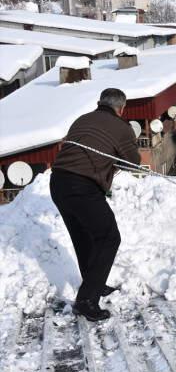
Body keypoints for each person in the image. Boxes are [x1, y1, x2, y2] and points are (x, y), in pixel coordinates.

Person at [50, 88, 141, 321]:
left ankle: (95, 285)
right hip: (83, 185)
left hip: (58, 182)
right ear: (121, 109)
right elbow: (133, 163)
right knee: (109, 237)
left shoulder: (82, 119)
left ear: (99, 102)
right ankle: (87, 300)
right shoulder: (122, 127)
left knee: (84, 237)